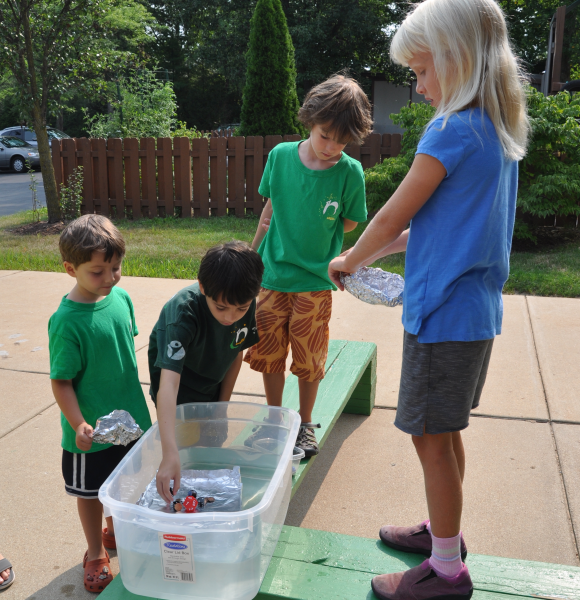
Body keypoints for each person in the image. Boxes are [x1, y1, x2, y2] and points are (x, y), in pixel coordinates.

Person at [328, 1, 530, 597]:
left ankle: (445, 570)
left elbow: (392, 214)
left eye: (420, 72)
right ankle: (447, 534)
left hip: (442, 316)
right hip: (472, 313)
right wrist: (378, 254)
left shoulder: (450, 128)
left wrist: (350, 258)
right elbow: (432, 228)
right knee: (444, 432)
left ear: (457, 59)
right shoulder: (492, 130)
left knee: (428, 438)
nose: (416, 88)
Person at [244, 74, 373, 457]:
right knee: (268, 350)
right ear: (309, 121)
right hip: (272, 276)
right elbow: (269, 211)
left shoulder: (349, 172)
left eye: (341, 141)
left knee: (309, 355)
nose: (331, 147)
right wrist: (252, 258)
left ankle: (303, 422)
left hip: (316, 282)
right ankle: (272, 418)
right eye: (324, 135)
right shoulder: (281, 156)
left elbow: (350, 222)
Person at [49, 215, 152, 594]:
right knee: (91, 494)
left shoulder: (120, 298)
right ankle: (95, 551)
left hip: (132, 422)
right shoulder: (66, 322)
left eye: (116, 267)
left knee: (128, 484)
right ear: (69, 268)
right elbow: (61, 382)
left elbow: (122, 354)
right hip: (88, 433)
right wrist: (77, 423)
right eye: (98, 271)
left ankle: (114, 529)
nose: (110, 277)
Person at [149, 241, 263, 502]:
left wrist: (221, 408)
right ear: (202, 286)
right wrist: (169, 453)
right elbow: (168, 384)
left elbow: (236, 352)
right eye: (221, 307)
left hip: (213, 384)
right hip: (180, 395)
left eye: (241, 309)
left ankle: (199, 501)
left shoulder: (243, 299)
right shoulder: (182, 313)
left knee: (211, 448)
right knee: (183, 455)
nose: (230, 317)